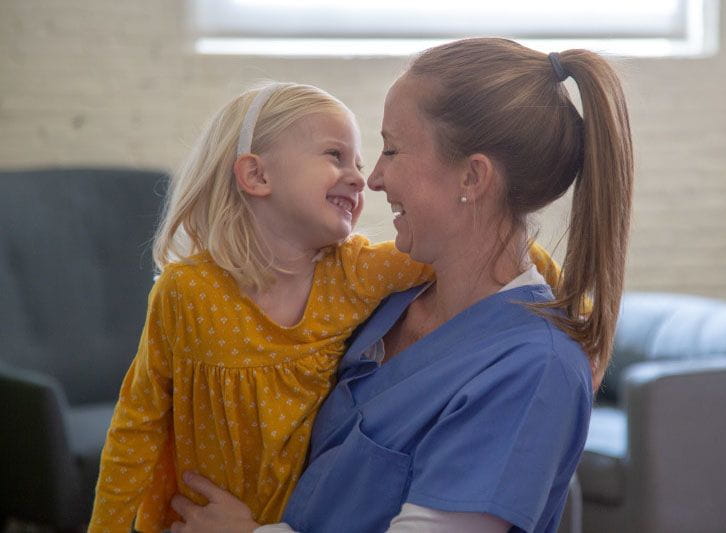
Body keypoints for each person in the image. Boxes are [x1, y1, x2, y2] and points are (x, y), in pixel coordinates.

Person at [169, 36, 633, 533]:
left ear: (472, 179)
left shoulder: (534, 368)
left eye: (391, 149)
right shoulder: (388, 303)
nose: (374, 180)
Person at [87, 80, 564, 532]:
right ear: (256, 174)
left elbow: (500, 253)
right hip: (195, 517)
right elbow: (138, 421)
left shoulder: (354, 272)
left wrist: (569, 312)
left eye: (373, 156)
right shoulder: (185, 292)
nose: (364, 178)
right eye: (336, 157)